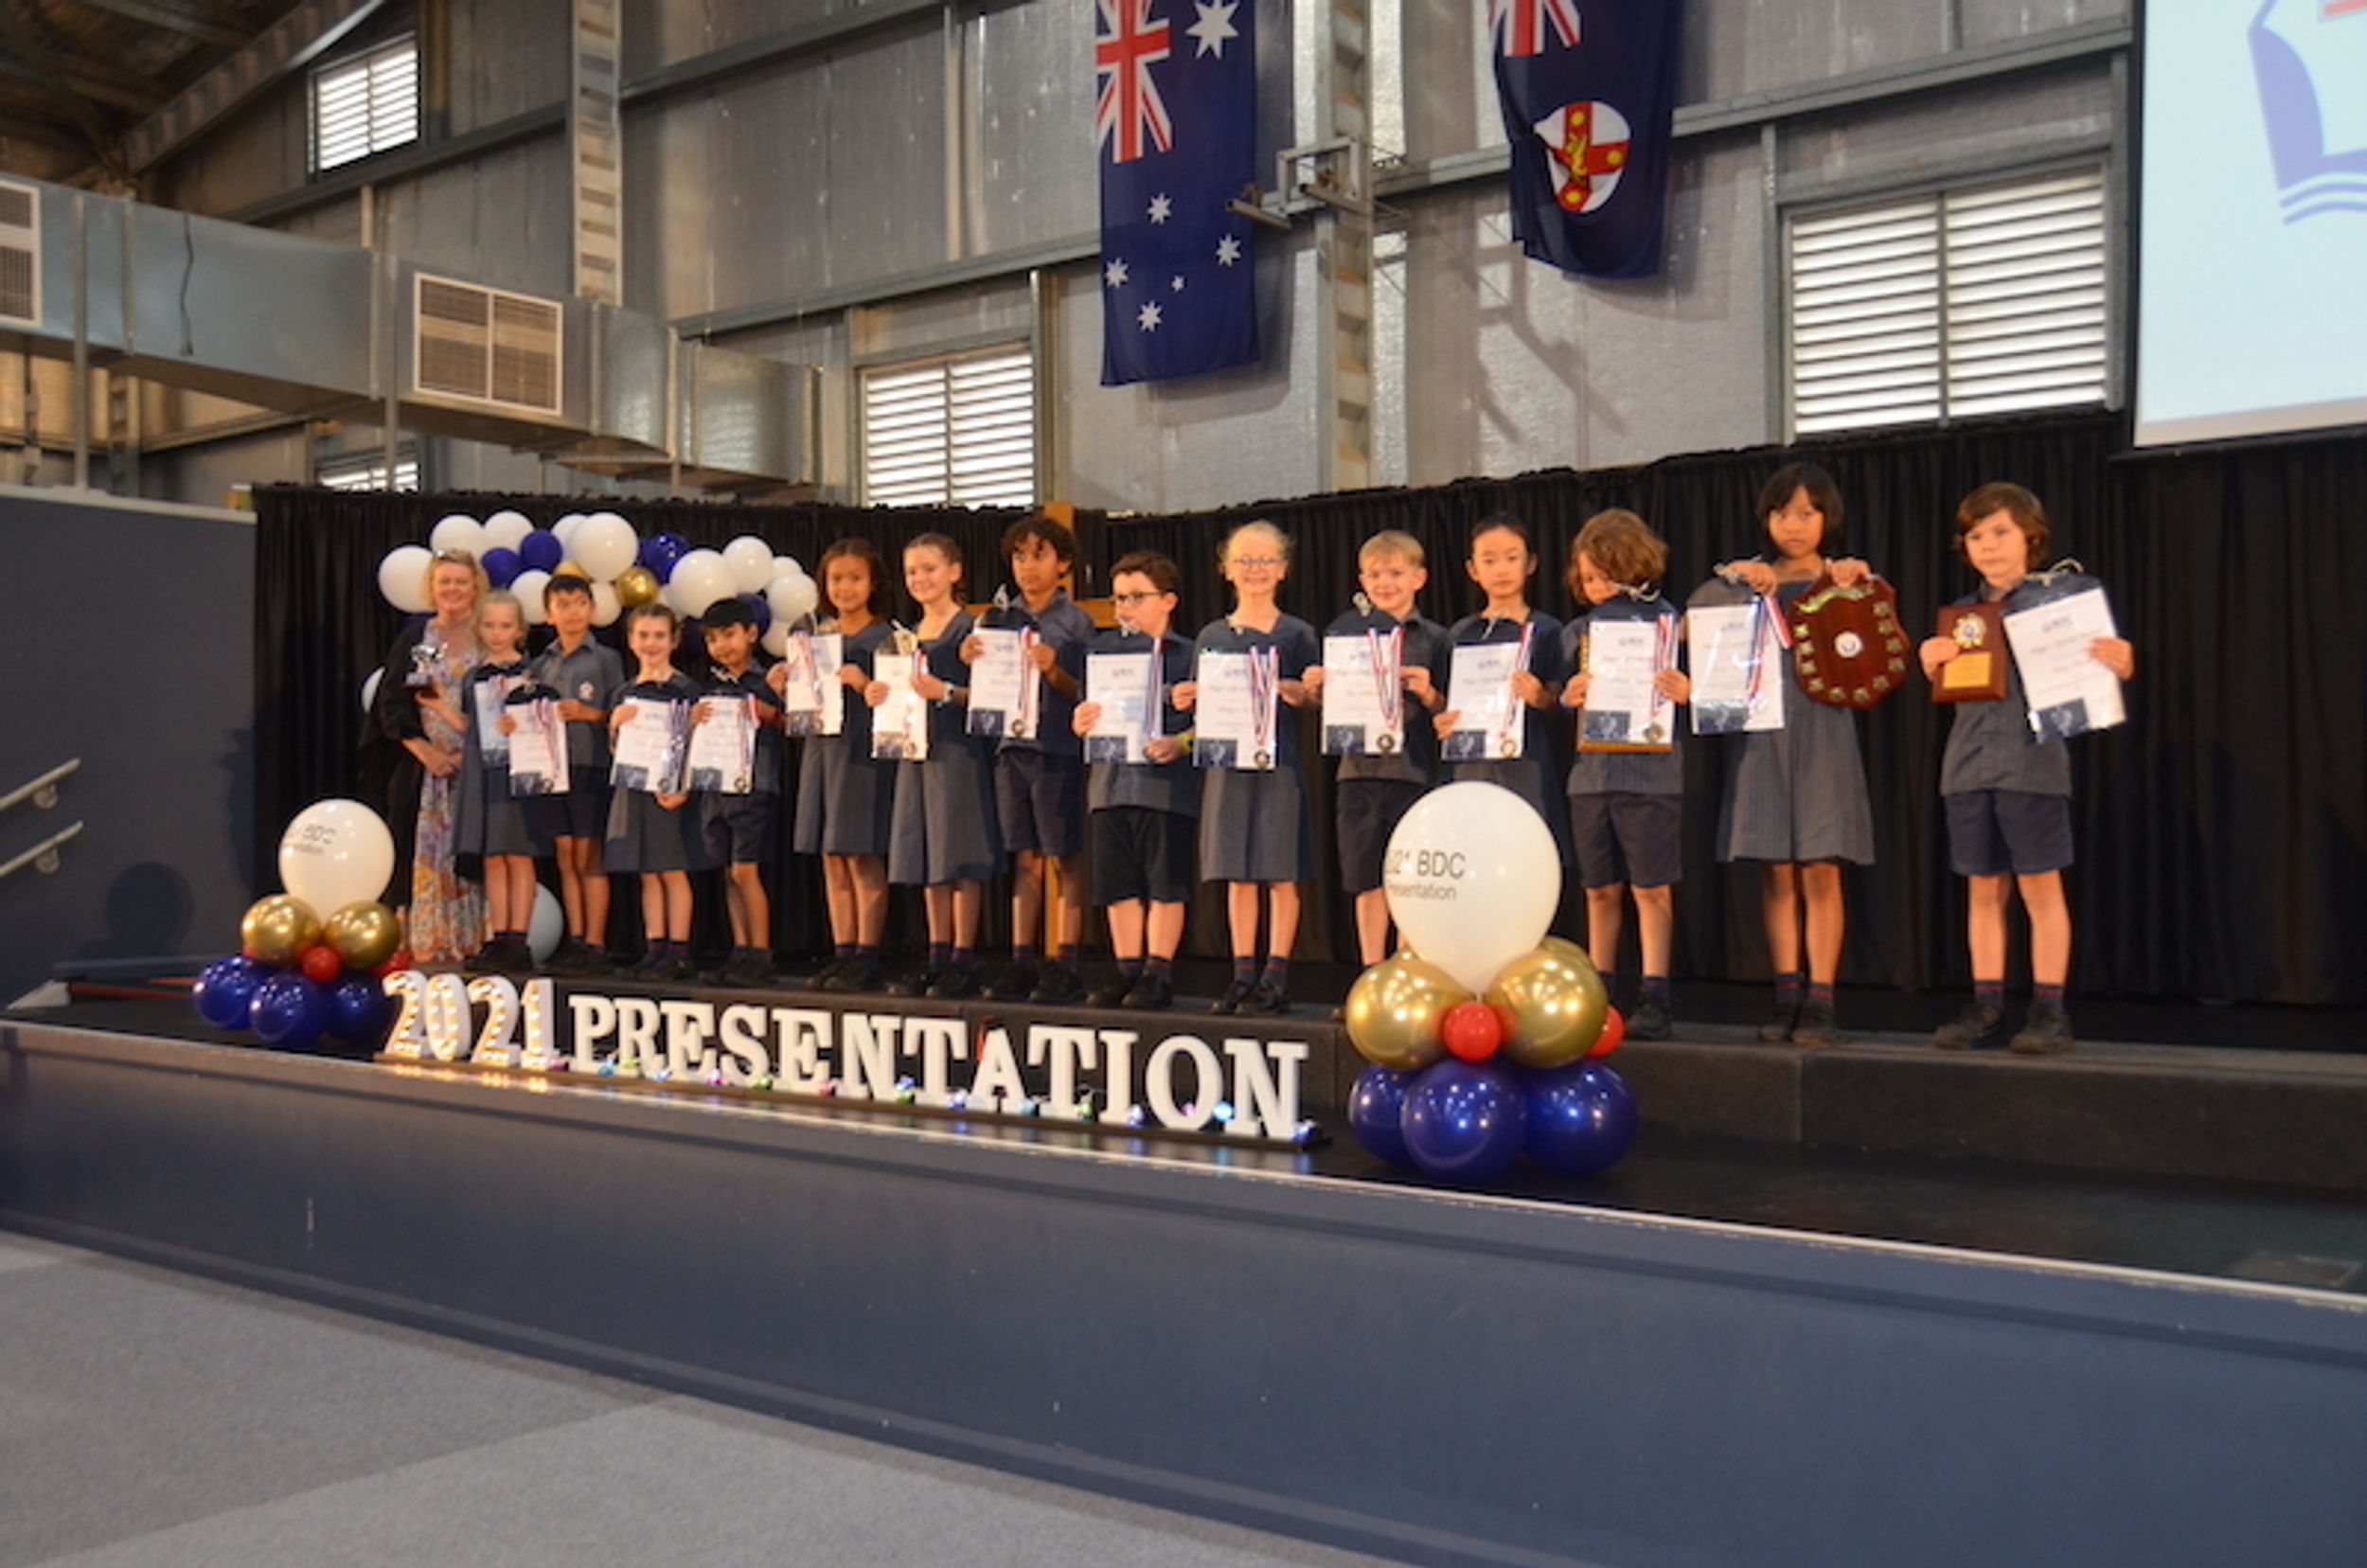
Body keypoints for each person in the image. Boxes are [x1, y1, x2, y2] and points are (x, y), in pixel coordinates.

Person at [1920, 482, 2134, 1055]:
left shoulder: (2062, 604)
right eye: (1975, 536)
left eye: (2000, 532)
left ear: (2030, 537)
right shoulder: (1960, 617)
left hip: (2032, 763)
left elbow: (2098, 669)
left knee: (2040, 887)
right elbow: (1954, 684)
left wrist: (2119, 661)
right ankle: (1986, 1004)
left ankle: (2049, 1009)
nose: (1988, 545)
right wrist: (1930, 661)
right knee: (1983, 889)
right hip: (1967, 766)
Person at [1712, 463, 1877, 1049]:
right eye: (1783, 514)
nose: (1795, 525)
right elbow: (1693, 627)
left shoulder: (1843, 579)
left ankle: (1822, 998)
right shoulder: (1747, 582)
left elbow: (1879, 648)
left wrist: (1857, 581)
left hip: (1824, 732)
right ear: (1767, 520)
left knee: (1822, 867)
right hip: (1763, 737)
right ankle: (1786, 993)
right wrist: (1733, 576)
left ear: (1828, 518)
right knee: (1776, 870)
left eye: (1807, 513)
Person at [1174, 520, 1317, 1016]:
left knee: (1280, 871)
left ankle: (1275, 977)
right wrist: (1186, 698)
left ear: (1283, 569)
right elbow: (1201, 708)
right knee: (1236, 872)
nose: (1255, 569)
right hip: (1226, 767)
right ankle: (1241, 974)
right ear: (1226, 569)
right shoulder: (1212, 636)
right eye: (1245, 560)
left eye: (1265, 560)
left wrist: (1301, 693)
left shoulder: (1298, 634)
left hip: (1279, 765)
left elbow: (1314, 700)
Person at [1559, 510, 1690, 1041]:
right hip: (1591, 778)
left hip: (1651, 777)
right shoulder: (1577, 632)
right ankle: (1600, 991)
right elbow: (1556, 695)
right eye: (1589, 578)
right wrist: (1568, 696)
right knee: (1599, 889)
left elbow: (1707, 688)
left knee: (1651, 888)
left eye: (1608, 576)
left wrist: (1687, 690)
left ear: (1636, 567)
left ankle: (1655, 994)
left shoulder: (1669, 624)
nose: (1598, 588)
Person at [1300, 530, 1450, 966]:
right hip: (1357, 773)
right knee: (1366, 879)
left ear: (1419, 578)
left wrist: (1429, 694)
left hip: (1414, 773)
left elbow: (1451, 712)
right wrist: (1317, 689)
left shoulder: (1435, 639)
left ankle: (1405, 971)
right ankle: (1371, 969)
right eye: (1375, 574)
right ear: (1362, 580)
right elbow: (1330, 708)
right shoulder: (1345, 636)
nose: (1385, 583)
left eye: (1396, 573)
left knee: (1410, 880)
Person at [965, 513, 1096, 1004]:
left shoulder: (1075, 621)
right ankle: (1022, 959)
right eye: (1019, 556)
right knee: (1024, 856)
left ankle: (1066, 960)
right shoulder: (997, 619)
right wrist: (971, 659)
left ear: (1063, 564)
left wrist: (1054, 670)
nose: (1027, 566)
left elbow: (1090, 693)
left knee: (1064, 855)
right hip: (1010, 748)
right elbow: (984, 690)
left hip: (1056, 748)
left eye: (1039, 555)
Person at [1070, 550, 1197, 1009]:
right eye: (1119, 598)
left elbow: (1219, 723)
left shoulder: (1189, 655)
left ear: (1168, 600)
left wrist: (1182, 741)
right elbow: (1086, 712)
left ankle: (1157, 973)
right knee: (1116, 882)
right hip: (1109, 785)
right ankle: (1127, 971)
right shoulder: (1101, 652)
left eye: (1136, 597)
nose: (1125, 607)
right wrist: (1080, 721)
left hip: (1164, 788)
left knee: (1165, 882)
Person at [879, 534, 1003, 1000]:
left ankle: (963, 958)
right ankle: (937, 954)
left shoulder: (973, 631)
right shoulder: (903, 637)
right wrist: (879, 694)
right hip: (916, 754)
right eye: (912, 571)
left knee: (959, 855)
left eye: (929, 568)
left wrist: (947, 692)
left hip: (958, 753)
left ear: (954, 571)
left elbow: (993, 699)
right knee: (928, 855)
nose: (920, 578)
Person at [784, 538, 897, 993]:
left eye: (855, 578)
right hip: (821, 753)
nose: (845, 588)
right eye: (836, 579)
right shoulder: (815, 638)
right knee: (831, 855)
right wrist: (784, 682)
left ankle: (868, 953)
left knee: (861, 852)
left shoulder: (886, 637)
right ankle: (843, 951)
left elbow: (901, 706)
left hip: (860, 755)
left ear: (873, 583)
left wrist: (866, 683)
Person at [365, 547, 487, 964]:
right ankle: (426, 941)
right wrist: (427, 752)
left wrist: (469, 753)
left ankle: (473, 940)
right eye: (444, 581)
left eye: (460, 582)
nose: (452, 589)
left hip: (476, 771)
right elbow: (391, 704)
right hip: (423, 771)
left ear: (475, 587)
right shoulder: (417, 640)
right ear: (432, 587)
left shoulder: (488, 635)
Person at [1434, 514, 1571, 851]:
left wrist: (1540, 698)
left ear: (1531, 563)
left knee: (1528, 852)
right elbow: (1447, 703)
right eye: (1489, 560)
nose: (1501, 569)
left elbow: (1561, 704)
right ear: (1472, 569)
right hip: (1470, 767)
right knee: (1473, 853)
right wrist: (1442, 718)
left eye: (1512, 558)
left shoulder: (1548, 630)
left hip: (1528, 766)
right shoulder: (1460, 634)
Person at [605, 602, 708, 981]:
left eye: (659, 636)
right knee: (648, 873)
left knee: (672, 870)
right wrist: (614, 726)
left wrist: (684, 788)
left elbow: (700, 747)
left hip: (671, 793)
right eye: (644, 635)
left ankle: (679, 950)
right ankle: (655, 947)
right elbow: (618, 753)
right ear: (631, 640)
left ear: (674, 640)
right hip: (635, 792)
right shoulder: (624, 692)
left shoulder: (686, 689)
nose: (651, 643)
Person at [526, 574, 622, 975]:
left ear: (593, 609)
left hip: (590, 764)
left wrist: (588, 713)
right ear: (548, 614)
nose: (572, 612)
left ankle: (596, 943)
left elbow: (621, 714)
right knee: (565, 855)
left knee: (589, 854)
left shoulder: (605, 659)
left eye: (580, 603)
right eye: (563, 605)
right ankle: (577, 939)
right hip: (551, 770)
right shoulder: (539, 665)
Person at [696, 597, 786, 988]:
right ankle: (741, 949)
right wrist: (693, 719)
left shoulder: (768, 681)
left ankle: (761, 953)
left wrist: (771, 714)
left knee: (746, 870)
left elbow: (792, 722)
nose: (722, 646)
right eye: (713, 639)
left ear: (751, 633)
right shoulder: (711, 686)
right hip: (715, 786)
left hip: (753, 785)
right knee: (729, 874)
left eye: (729, 635)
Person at [454, 590, 544, 975]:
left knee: (518, 854)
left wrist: (519, 723)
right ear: (478, 628)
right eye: (489, 625)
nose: (496, 633)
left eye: (505, 626)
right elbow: (469, 725)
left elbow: (545, 724)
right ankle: (500, 935)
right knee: (493, 855)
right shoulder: (473, 677)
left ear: (519, 630)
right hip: (484, 772)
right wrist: (433, 703)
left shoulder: (531, 674)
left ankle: (519, 939)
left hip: (519, 771)